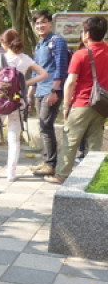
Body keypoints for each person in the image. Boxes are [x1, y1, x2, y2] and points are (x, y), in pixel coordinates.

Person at [45, 16, 108, 184]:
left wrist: (66, 105)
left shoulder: (81, 54)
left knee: (71, 140)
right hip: (102, 104)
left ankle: (62, 175)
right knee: (95, 143)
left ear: (87, 34)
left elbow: (71, 82)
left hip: (82, 103)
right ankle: (93, 177)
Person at [0, 29, 48, 181]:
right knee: (14, 138)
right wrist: (25, 83)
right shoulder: (25, 59)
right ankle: (11, 174)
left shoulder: (0, 58)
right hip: (16, 102)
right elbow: (44, 74)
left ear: (6, 43)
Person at [30, 10, 69, 177]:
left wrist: (55, 90)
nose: (40, 26)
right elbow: (35, 69)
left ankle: (51, 164)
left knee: (46, 125)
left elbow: (61, 67)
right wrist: (31, 91)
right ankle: (46, 160)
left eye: (43, 22)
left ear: (50, 23)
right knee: (43, 126)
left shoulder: (57, 41)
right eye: (37, 23)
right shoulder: (39, 44)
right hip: (40, 89)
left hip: (51, 89)